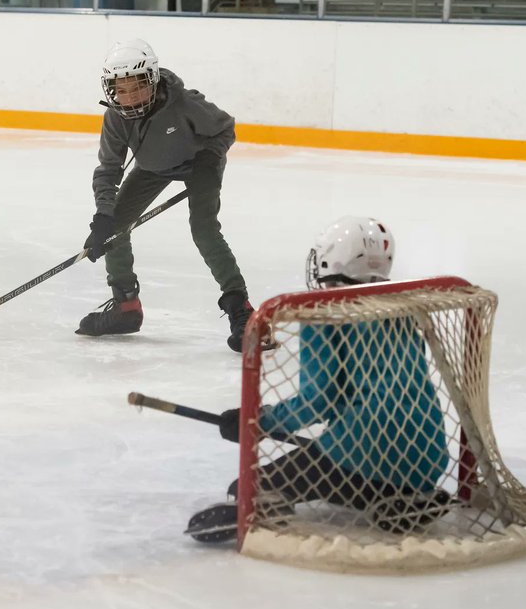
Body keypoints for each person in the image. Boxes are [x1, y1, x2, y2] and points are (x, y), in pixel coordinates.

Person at [186, 217, 451, 542]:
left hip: (358, 451)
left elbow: (318, 399)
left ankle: (262, 506)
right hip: (428, 456)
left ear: (329, 259)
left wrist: (256, 421)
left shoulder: (322, 312)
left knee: (247, 485)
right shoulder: (401, 309)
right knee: (353, 459)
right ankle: (402, 498)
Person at [77, 39, 262, 353]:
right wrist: (103, 217)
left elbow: (224, 128)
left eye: (137, 87)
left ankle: (240, 309)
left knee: (203, 229)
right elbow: (108, 170)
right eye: (121, 90)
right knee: (117, 226)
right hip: (152, 169)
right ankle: (126, 307)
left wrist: (208, 161)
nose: (130, 97)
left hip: (199, 161)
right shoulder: (116, 118)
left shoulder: (185, 105)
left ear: (152, 80)